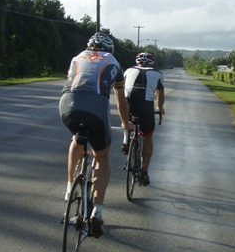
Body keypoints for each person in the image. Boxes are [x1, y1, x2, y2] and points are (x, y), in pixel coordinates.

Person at [59, 32, 134, 238]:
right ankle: (97, 213)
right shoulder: (113, 61)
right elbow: (121, 101)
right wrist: (126, 123)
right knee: (102, 158)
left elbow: (72, 81)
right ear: (108, 49)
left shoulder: (77, 58)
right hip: (95, 107)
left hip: (67, 105)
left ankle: (69, 188)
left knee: (77, 137)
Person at [123, 52, 165, 186]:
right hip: (145, 105)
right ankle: (144, 172)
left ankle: (126, 141)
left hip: (128, 103)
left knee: (128, 123)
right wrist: (159, 107)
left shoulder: (128, 70)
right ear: (152, 63)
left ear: (137, 62)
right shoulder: (158, 74)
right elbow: (160, 93)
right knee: (148, 137)